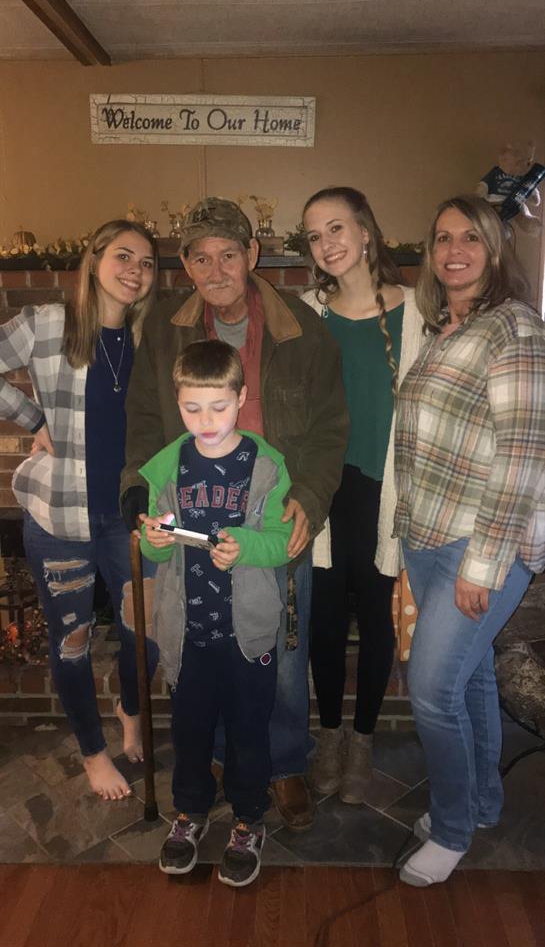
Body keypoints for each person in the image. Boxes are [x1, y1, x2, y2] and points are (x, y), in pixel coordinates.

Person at [120, 196, 348, 830]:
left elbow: (331, 429)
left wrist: (310, 498)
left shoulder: (302, 330)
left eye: (228, 254)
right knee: (201, 643)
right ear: (185, 265)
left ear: (251, 254)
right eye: (200, 258)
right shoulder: (164, 329)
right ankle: (222, 758)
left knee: (278, 649)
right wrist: (136, 485)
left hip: (274, 517)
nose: (215, 269)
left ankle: (283, 762)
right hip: (191, 516)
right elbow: (143, 417)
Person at [394, 195, 545, 886]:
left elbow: (520, 457)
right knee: (472, 675)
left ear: (494, 249)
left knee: (431, 691)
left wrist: (482, 566)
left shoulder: (514, 328)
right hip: (428, 535)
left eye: (469, 238)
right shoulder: (445, 330)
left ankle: (451, 828)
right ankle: (482, 802)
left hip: (480, 543)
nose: (453, 250)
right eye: (441, 238)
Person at [0, 219, 160, 800]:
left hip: (132, 517)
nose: (135, 271)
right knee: (72, 642)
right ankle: (93, 753)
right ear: (94, 259)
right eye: (123, 256)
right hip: (60, 520)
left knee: (151, 633)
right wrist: (32, 418)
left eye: (146, 263)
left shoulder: (150, 338)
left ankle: (130, 708)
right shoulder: (46, 323)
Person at [140, 339, 292, 887]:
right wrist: (154, 538)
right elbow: (153, 545)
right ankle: (189, 811)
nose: (206, 421)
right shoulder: (168, 467)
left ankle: (249, 818)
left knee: (250, 732)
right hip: (188, 634)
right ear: (177, 401)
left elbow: (282, 542)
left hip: (247, 633)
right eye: (192, 408)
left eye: (219, 407)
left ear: (241, 397)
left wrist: (245, 547)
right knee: (189, 731)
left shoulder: (266, 467)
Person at [301, 186, 423, 803]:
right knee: (324, 619)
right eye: (314, 235)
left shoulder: (419, 311)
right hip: (325, 493)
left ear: (366, 231)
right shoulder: (305, 313)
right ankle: (329, 734)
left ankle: (365, 737)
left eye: (336, 227)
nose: (326, 244)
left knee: (377, 618)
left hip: (388, 491)